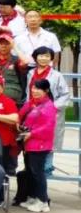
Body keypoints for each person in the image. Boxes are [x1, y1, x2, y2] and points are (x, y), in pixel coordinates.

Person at [24, 46, 71, 175]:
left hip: (49, 115)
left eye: (47, 56)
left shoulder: (57, 75)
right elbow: (28, 93)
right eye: (41, 55)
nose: (44, 58)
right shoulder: (30, 73)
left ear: (51, 58)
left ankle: (45, 176)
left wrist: (51, 108)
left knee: (47, 145)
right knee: (32, 143)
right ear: (35, 57)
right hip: (33, 113)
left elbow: (65, 95)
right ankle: (33, 177)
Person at [17, 79, 56, 213]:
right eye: (33, 88)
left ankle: (43, 201)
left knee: (38, 173)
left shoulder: (48, 106)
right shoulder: (33, 103)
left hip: (39, 145)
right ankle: (34, 197)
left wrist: (32, 133)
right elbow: (22, 115)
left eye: (38, 89)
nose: (34, 91)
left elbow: (48, 127)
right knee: (31, 172)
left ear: (46, 91)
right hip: (30, 143)